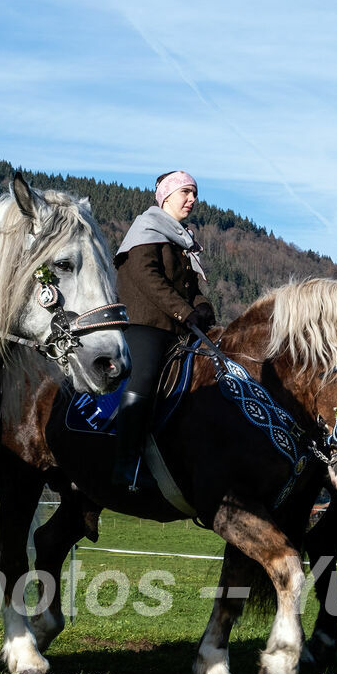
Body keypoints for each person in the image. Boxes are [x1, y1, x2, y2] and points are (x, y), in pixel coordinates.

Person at [109, 170, 215, 489]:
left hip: (178, 328)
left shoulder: (182, 238)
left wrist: (201, 307)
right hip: (145, 325)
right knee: (145, 376)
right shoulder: (146, 230)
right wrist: (184, 311)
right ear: (166, 196)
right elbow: (147, 278)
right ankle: (126, 461)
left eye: (194, 193)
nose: (192, 200)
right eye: (186, 192)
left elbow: (190, 286)